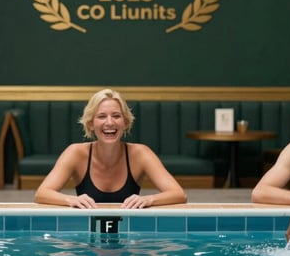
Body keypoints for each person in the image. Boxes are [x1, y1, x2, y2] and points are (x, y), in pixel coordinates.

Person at [34, 88, 187, 209]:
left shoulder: (140, 153)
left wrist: (148, 199)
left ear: (126, 122)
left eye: (116, 116)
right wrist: (71, 200)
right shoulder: (76, 153)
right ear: (90, 124)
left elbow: (179, 194)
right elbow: (42, 193)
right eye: (101, 116)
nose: (109, 122)